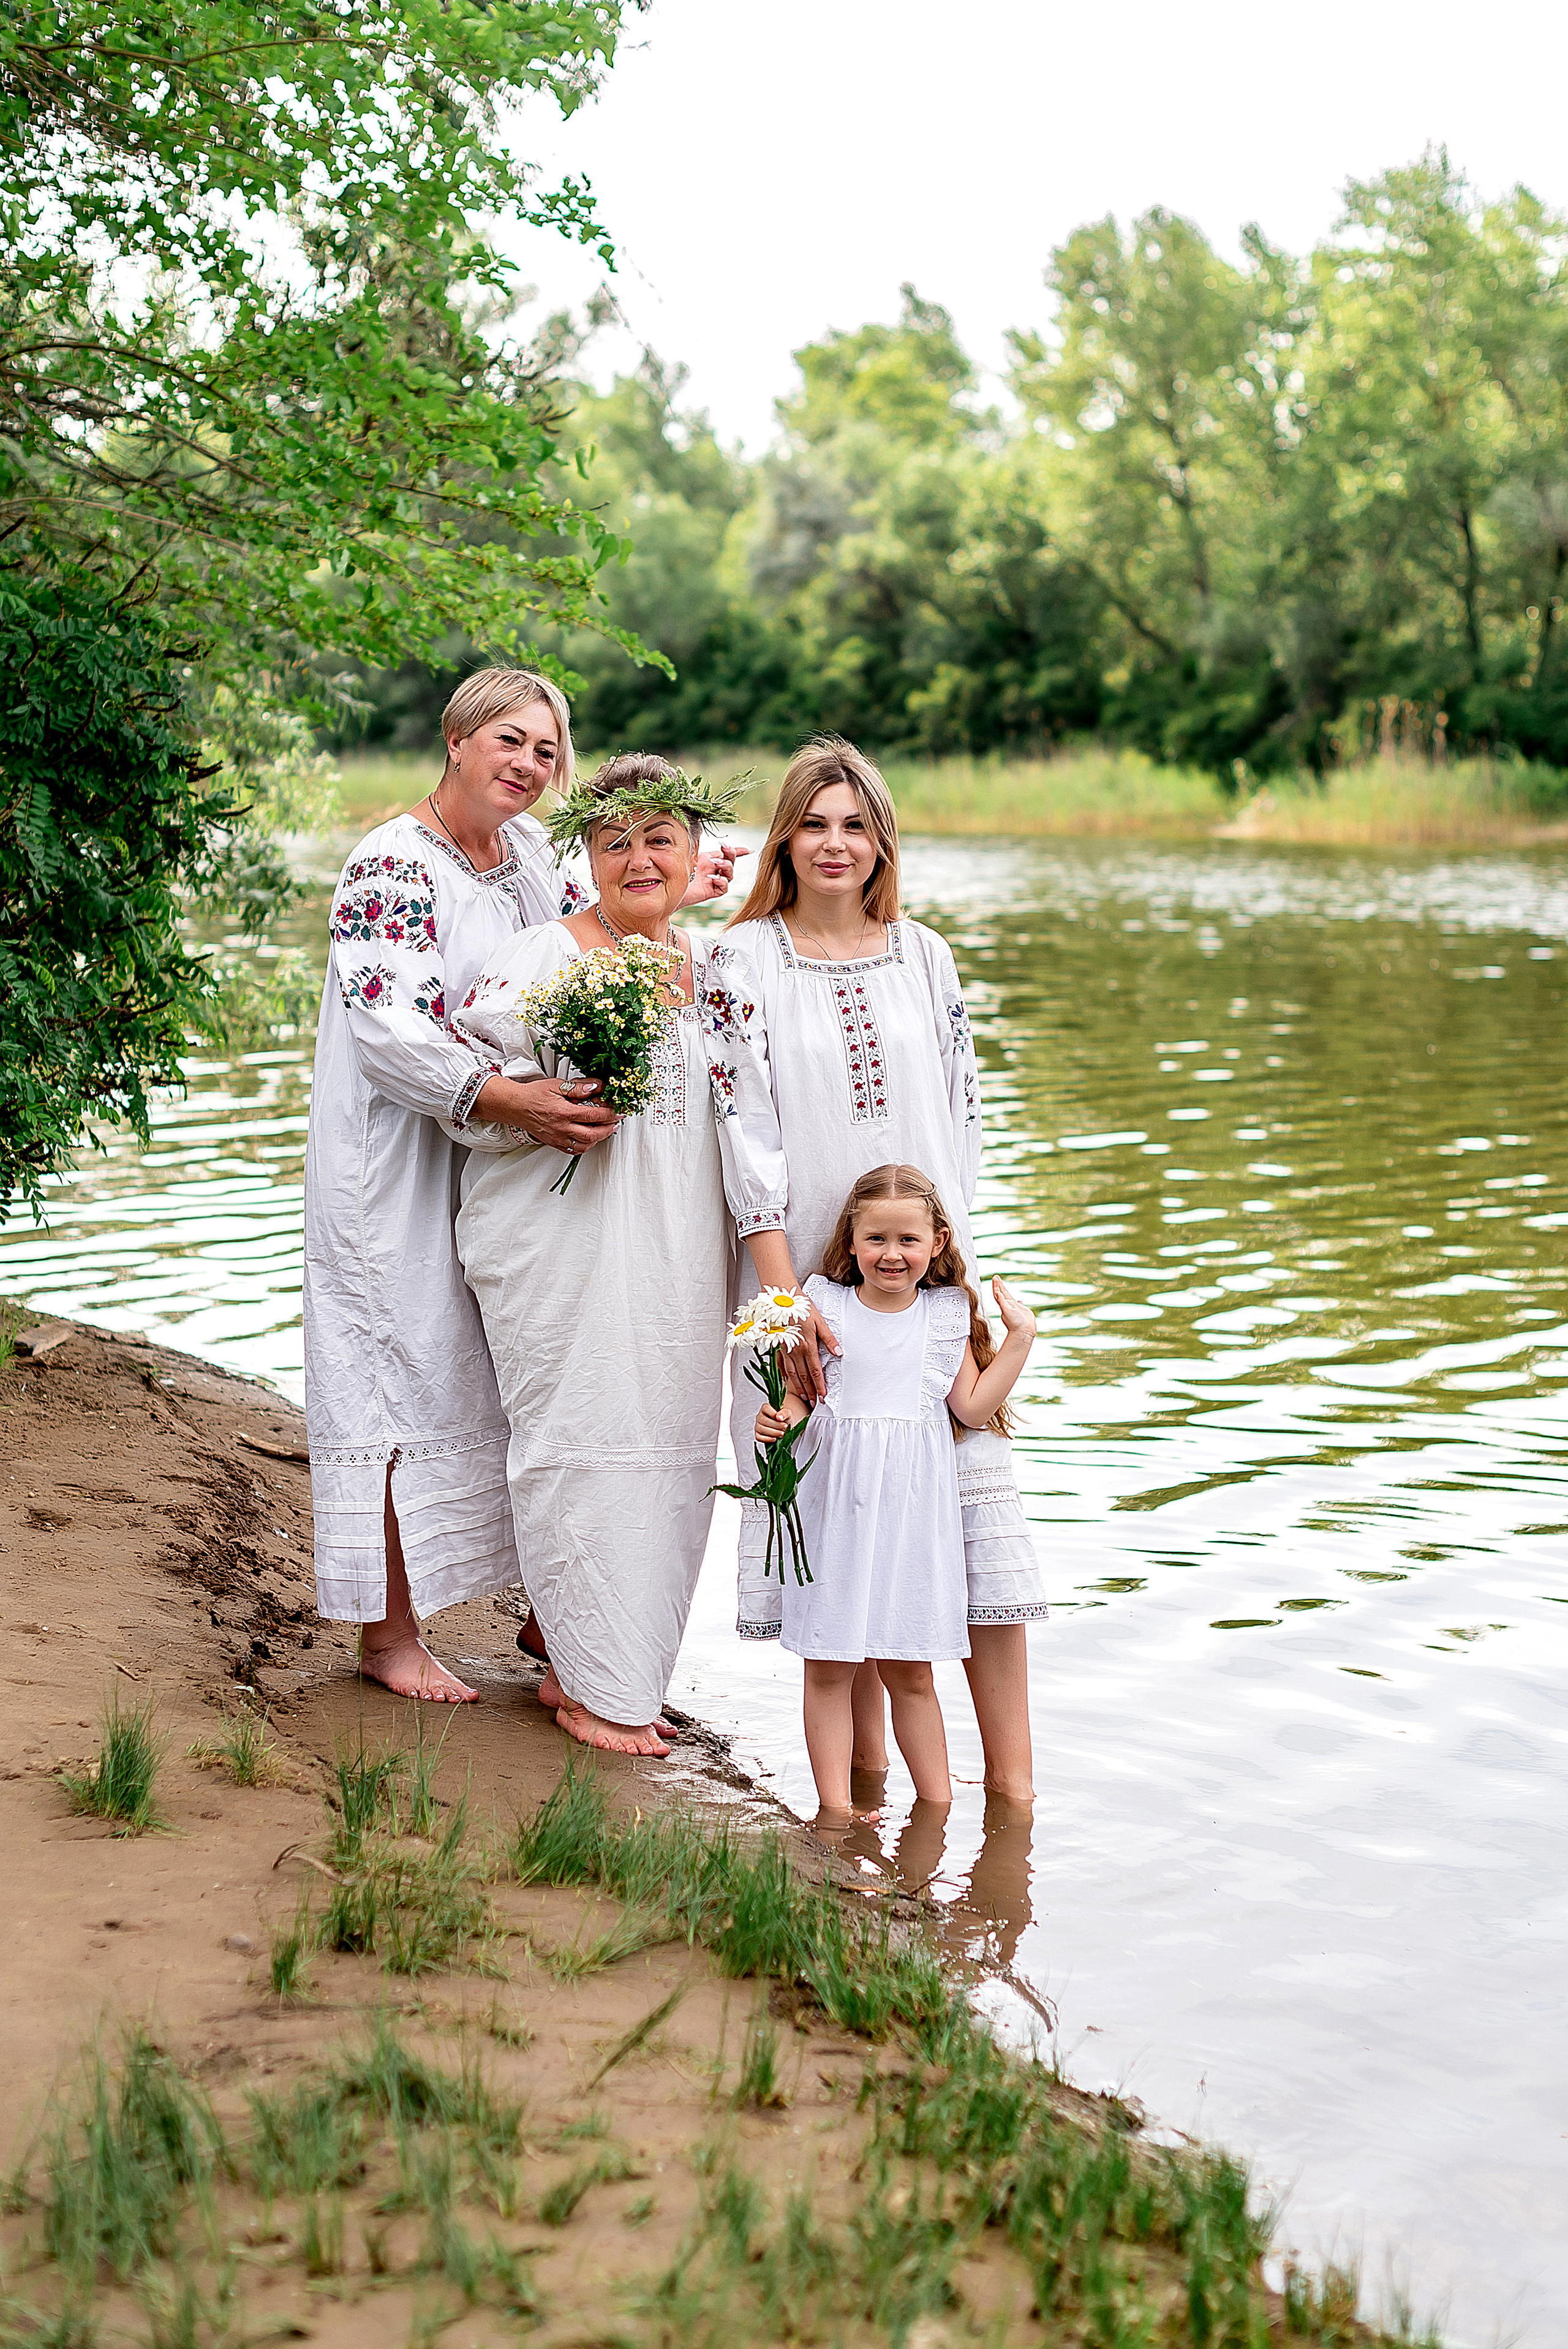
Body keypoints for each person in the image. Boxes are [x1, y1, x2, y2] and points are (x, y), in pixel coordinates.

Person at [304, 674, 738, 1701]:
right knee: (396, 1371)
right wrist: (511, 1099)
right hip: (398, 1156)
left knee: (510, 1375)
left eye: (548, 751)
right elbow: (389, 1031)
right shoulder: (391, 865)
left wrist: (673, 887)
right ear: (455, 740)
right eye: (510, 739)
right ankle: (389, 1636)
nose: (529, 764)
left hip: (499, 1147)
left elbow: (579, 942)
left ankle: (558, 1620)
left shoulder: (531, 854)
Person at [704, 735, 1046, 1799]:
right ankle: (856, 1813)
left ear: (883, 838)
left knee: (975, 1538)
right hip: (808, 1296)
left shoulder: (924, 954)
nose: (835, 842)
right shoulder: (741, 959)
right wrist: (782, 1308)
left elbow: (963, 1119)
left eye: (856, 822)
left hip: (931, 1290)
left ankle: (1014, 1800)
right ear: (785, 837)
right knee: (846, 1546)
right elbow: (742, 1132)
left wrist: (957, 1272)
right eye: (814, 820)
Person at [448, 755, 738, 1756]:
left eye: (661, 837)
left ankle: (598, 1665)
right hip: (567, 1250)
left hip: (677, 1257)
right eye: (616, 840)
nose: (640, 857)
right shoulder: (543, 956)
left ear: (696, 851)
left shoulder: (713, 968)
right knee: (585, 1442)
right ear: (587, 855)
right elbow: (478, 1090)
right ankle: (599, 1691)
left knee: (672, 1451)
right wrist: (542, 1103)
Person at [754, 1164, 1035, 1822]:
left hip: (914, 1520)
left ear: (937, 1243)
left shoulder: (943, 1316)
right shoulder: (823, 1304)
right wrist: (776, 1424)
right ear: (851, 1241)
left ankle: (934, 1812)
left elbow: (969, 1408)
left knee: (910, 1670)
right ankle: (835, 1810)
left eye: (908, 1240)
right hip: (837, 1515)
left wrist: (1019, 1339)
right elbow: (800, 1403)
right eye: (876, 1238)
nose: (891, 1253)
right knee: (828, 1666)